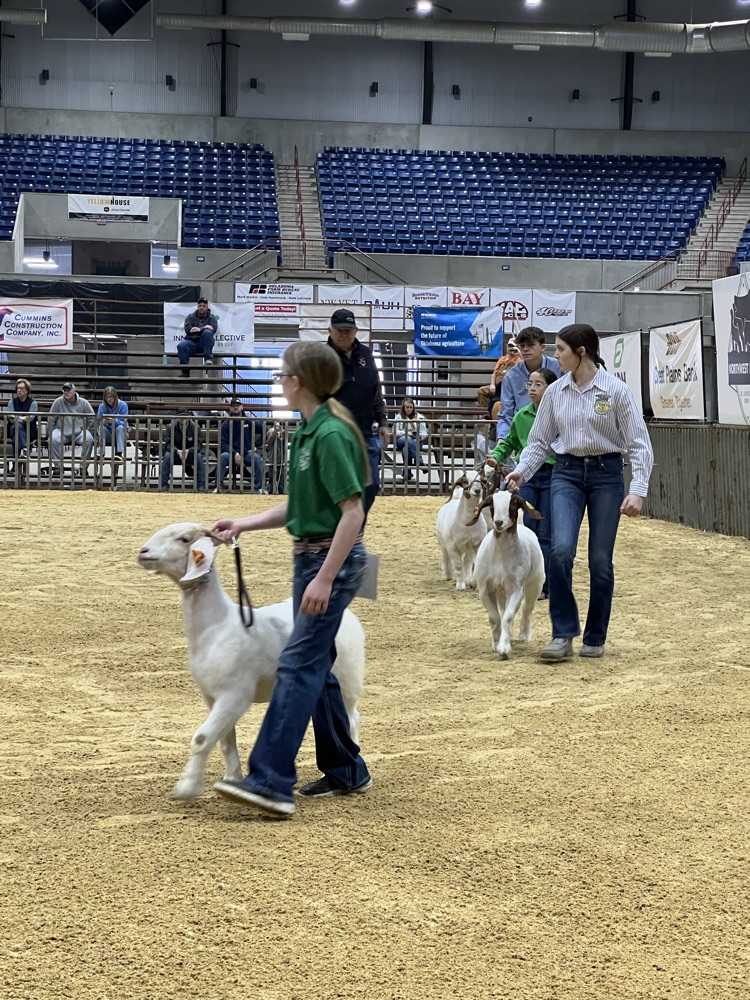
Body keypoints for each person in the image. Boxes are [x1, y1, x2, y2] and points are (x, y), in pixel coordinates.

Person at [211, 340, 372, 818]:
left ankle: (270, 781)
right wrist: (244, 523)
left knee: (298, 664)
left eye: (283, 374)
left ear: (297, 381)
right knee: (315, 667)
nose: (279, 381)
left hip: (330, 562)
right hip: (312, 558)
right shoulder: (307, 433)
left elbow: (352, 513)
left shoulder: (329, 436)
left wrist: (325, 578)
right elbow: (299, 508)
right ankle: (347, 768)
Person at [505, 323, 654, 662]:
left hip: (607, 475)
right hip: (566, 473)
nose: (555, 356)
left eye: (560, 350)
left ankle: (595, 636)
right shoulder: (556, 393)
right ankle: (562, 633)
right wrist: (521, 470)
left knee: (600, 561)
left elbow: (638, 443)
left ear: (581, 352)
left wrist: (638, 490)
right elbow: (540, 442)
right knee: (559, 552)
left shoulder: (616, 391)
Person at [486, 368, 558, 598]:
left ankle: (544, 584)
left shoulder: (558, 414)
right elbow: (510, 441)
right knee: (527, 529)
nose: (533, 388)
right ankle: (523, 578)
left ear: (551, 388)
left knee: (545, 530)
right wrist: (496, 455)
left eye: (539, 384)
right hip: (526, 475)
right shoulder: (522, 415)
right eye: (530, 384)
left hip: (552, 473)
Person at [326, 307, 389, 516]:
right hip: (335, 435)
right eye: (340, 330)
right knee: (338, 490)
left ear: (355, 331)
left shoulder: (366, 354)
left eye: (348, 330)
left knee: (371, 486)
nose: (344, 334)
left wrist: (383, 422)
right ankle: (341, 535)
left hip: (364, 433)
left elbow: (375, 390)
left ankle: (353, 532)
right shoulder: (322, 358)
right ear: (330, 330)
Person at [496, 327, 561, 442]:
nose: (525, 349)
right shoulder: (511, 377)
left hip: (556, 432)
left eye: (530, 345)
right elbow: (506, 414)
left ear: (542, 347)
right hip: (524, 434)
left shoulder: (560, 368)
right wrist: (501, 439)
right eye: (521, 346)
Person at [216, 398, 264, 493]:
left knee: (256, 458)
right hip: (231, 453)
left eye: (237, 405)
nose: (235, 407)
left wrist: (256, 445)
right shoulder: (225, 424)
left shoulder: (249, 421)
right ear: (230, 408)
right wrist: (235, 453)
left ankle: (260, 488)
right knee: (222, 457)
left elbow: (264, 430)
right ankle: (218, 487)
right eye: (233, 405)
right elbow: (223, 443)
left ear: (242, 407)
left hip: (247, 453)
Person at [48, 382, 95, 477]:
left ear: (74, 391)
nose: (66, 392)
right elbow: (51, 418)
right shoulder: (58, 402)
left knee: (88, 439)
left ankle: (83, 467)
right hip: (61, 430)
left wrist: (93, 433)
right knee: (53, 439)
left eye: (68, 390)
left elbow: (92, 418)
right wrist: (51, 431)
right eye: (64, 390)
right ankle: (58, 466)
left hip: (80, 431)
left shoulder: (84, 402)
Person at [161, 410, 206, 491]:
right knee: (167, 456)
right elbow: (168, 444)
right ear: (177, 418)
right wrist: (177, 451)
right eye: (181, 416)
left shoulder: (196, 427)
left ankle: (201, 485)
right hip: (176, 454)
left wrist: (189, 451)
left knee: (199, 457)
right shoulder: (170, 427)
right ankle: (163, 485)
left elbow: (199, 445)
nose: (183, 419)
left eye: (185, 416)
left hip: (190, 454)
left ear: (189, 416)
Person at [476, 338, 522, 416]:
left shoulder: (519, 360)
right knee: (482, 391)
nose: (511, 348)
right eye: (510, 346)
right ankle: (485, 418)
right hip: (497, 386)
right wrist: (492, 385)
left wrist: (519, 353)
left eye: (513, 346)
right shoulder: (502, 359)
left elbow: (523, 368)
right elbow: (494, 373)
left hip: (508, 388)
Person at [178, 297, 218, 376]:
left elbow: (213, 329)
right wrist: (205, 327)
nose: (201, 307)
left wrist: (200, 329)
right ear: (197, 306)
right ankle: (185, 372)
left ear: (207, 307)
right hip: (192, 343)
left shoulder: (212, 318)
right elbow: (188, 330)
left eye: (203, 306)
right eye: (200, 306)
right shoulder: (190, 317)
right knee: (181, 346)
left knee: (208, 333)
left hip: (204, 344)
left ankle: (208, 359)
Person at [393, 396, 428, 481]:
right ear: (403, 408)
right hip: (401, 439)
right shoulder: (398, 417)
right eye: (407, 407)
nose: (409, 409)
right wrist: (406, 433)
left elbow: (424, 433)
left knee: (406, 449)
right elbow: (395, 432)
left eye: (411, 407)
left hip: (416, 440)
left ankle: (407, 474)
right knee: (408, 440)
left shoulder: (420, 417)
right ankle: (419, 462)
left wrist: (418, 436)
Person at [5, 378, 38, 459]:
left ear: (27, 390)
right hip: (12, 429)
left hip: (28, 430)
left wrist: (17, 418)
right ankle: (24, 449)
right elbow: (11, 417)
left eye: (22, 388)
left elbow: (30, 418)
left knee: (16, 436)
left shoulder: (33, 403)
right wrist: (23, 418)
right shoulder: (12, 402)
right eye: (18, 388)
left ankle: (15, 466)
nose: (19, 390)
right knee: (17, 427)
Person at [97, 386, 128, 462]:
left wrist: (114, 421)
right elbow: (98, 420)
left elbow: (124, 422)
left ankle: (119, 453)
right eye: (107, 397)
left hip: (121, 433)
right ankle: (101, 453)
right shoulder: (102, 406)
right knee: (101, 428)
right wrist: (104, 422)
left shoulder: (123, 405)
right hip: (107, 433)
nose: (109, 399)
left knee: (119, 428)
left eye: (111, 397)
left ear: (115, 396)